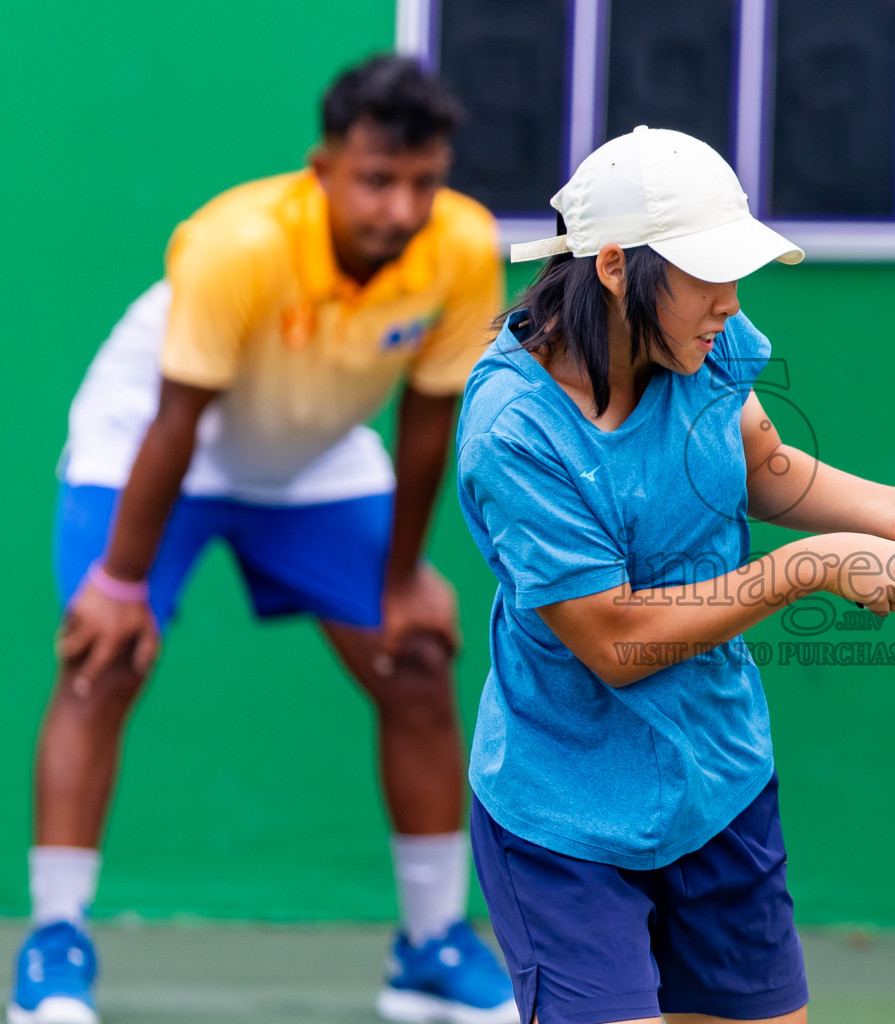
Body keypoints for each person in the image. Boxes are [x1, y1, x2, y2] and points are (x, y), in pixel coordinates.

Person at [456, 125, 895, 1024]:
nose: (728, 300)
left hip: (718, 786)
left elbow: (759, 465)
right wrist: (809, 568)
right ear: (613, 267)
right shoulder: (515, 434)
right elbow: (616, 640)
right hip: (565, 822)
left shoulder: (696, 337)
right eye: (705, 275)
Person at [13, 56, 517, 1024]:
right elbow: (177, 420)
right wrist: (119, 583)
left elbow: (424, 420)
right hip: (155, 442)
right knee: (101, 663)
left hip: (317, 451)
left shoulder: (462, 245)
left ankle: (427, 947)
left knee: (413, 663)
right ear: (321, 168)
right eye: (378, 178)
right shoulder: (234, 243)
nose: (403, 206)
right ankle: (57, 942)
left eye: (424, 179)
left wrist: (406, 576)